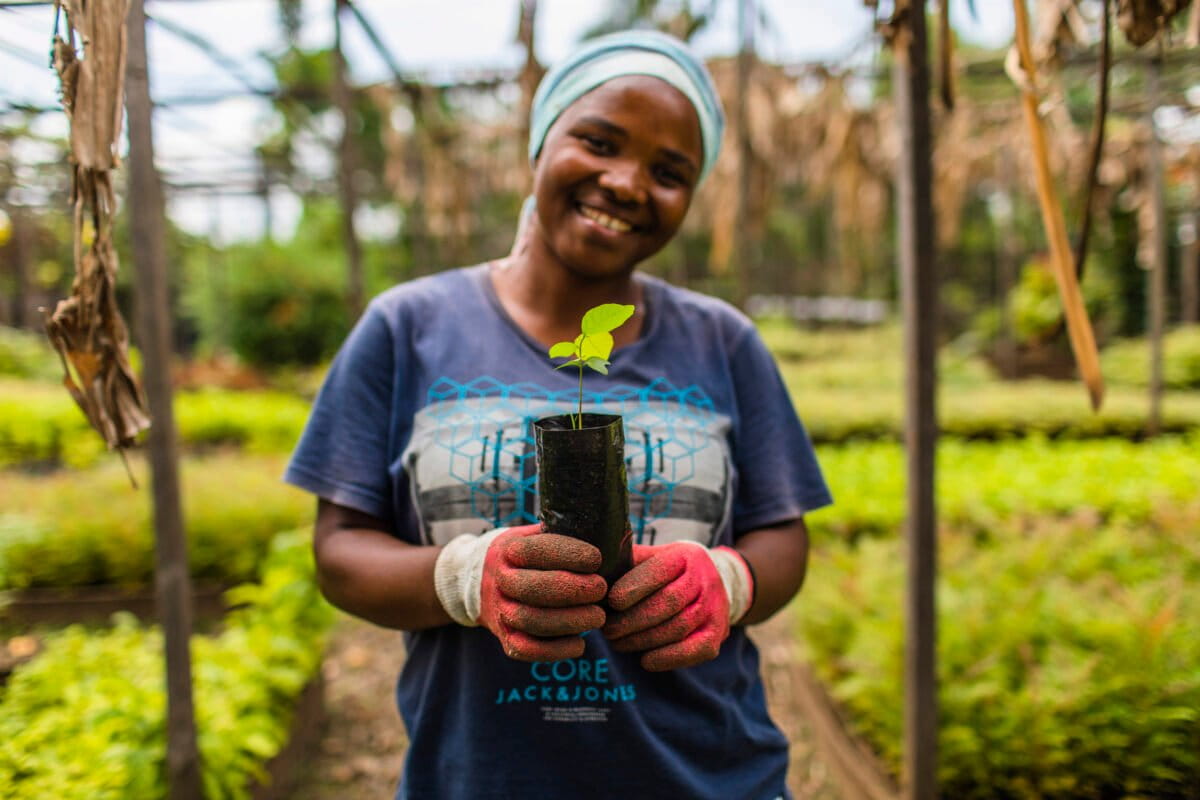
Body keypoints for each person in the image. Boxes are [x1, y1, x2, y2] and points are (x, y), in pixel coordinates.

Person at [285, 29, 832, 800]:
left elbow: (784, 538)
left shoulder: (723, 340)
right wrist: (465, 578)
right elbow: (340, 552)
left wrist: (728, 581)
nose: (627, 182)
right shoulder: (407, 326)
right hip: (479, 779)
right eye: (599, 141)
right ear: (540, 144)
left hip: (710, 777)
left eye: (669, 172)